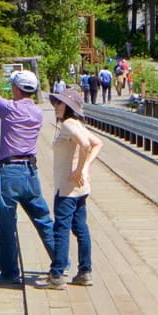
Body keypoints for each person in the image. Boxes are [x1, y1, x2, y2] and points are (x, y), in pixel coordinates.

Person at [0, 67, 54, 284]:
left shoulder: (9, 109)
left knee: (7, 225)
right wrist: (0, 97)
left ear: (17, 89)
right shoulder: (37, 112)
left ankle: (10, 272)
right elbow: (9, 107)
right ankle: (59, 262)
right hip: (30, 171)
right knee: (43, 218)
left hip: (9, 172)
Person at [46, 87, 102, 289]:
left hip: (67, 189)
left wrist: (79, 169)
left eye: (59, 103)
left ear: (67, 106)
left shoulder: (70, 124)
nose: (55, 107)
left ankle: (57, 274)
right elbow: (98, 143)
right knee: (81, 228)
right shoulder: (77, 124)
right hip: (81, 188)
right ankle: (85, 272)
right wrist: (84, 169)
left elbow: (87, 145)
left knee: (61, 229)